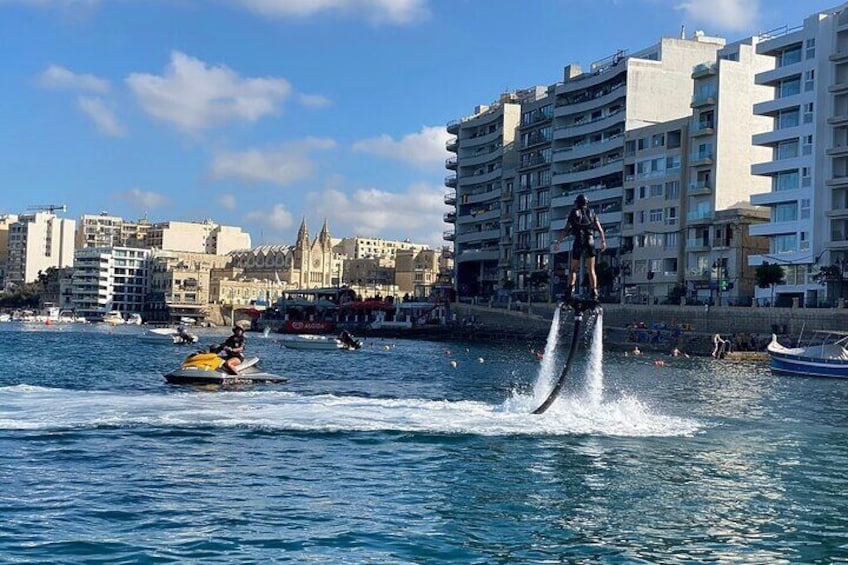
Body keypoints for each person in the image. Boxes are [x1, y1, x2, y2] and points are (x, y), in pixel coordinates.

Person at [555, 193, 606, 301]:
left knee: (573, 269)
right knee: (591, 269)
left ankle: (569, 291)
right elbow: (600, 230)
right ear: (586, 203)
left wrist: (558, 242)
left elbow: (566, 229)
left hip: (578, 240)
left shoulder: (573, 213)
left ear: (577, 203)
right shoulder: (592, 213)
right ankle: (594, 292)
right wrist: (603, 242)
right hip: (590, 241)